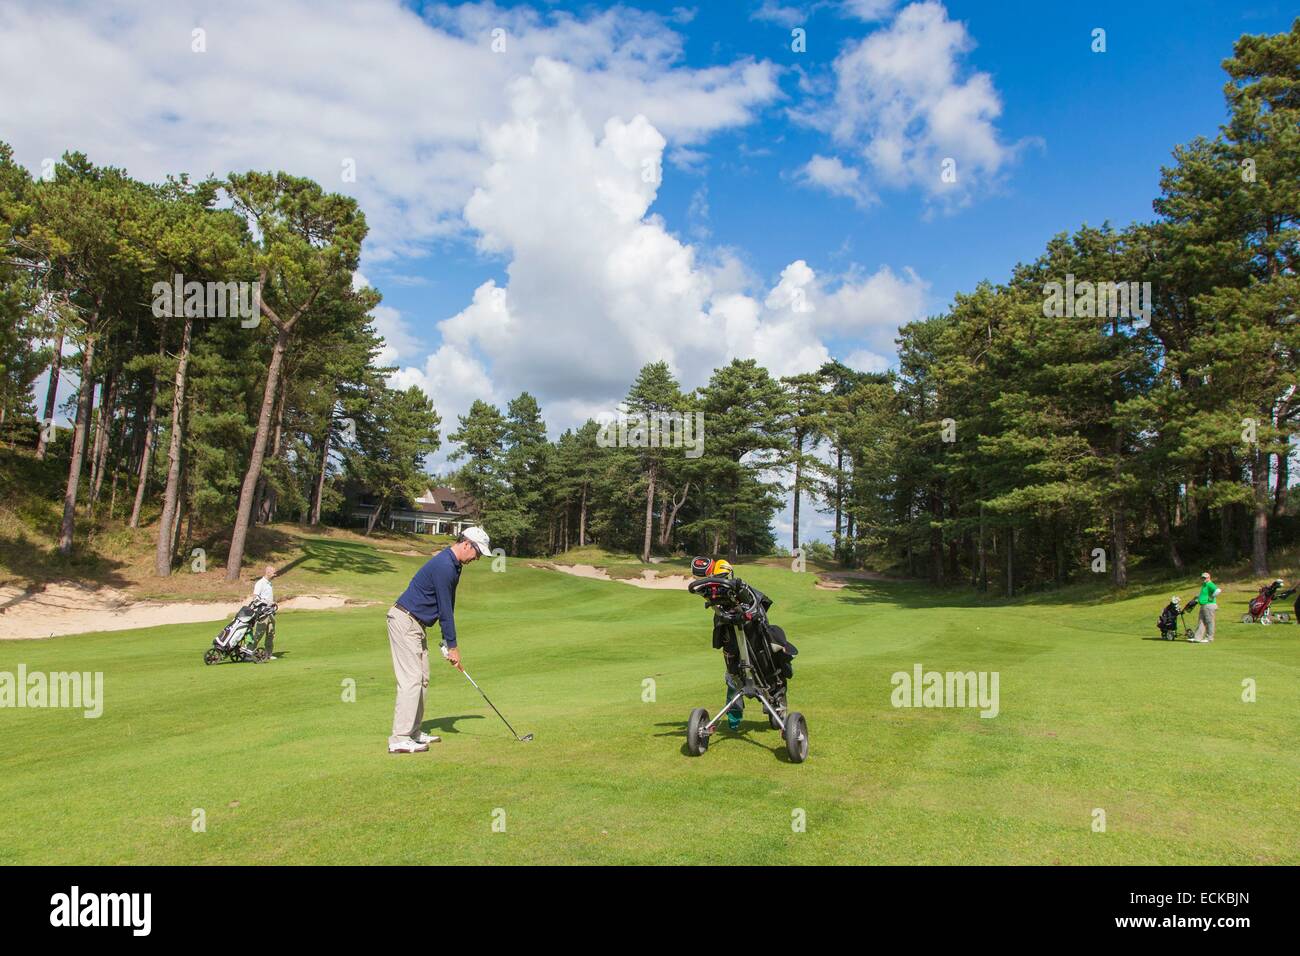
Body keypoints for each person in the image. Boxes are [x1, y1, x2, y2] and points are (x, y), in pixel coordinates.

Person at [386, 527, 491, 754]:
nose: (477, 558)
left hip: (417, 625)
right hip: (404, 621)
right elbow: (445, 611)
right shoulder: (445, 566)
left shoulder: (454, 565)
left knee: (422, 678)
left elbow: (447, 605)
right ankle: (399, 738)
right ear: (466, 544)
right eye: (478, 552)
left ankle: (413, 732)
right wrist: (453, 646)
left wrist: (446, 640)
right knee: (411, 679)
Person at [1187, 571, 1221, 643]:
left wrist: (1212, 597)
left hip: (1209, 605)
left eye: (1205, 577)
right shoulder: (1204, 585)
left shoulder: (1210, 584)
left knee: (1209, 621)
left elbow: (1218, 590)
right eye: (1202, 578)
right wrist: (1197, 598)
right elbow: (1204, 595)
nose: (1203, 579)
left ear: (1209, 577)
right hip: (1203, 605)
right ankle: (1197, 638)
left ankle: (1209, 638)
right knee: (1201, 621)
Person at [252, 565, 278, 659]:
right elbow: (255, 597)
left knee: (271, 633)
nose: (275, 574)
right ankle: (249, 652)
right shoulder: (260, 583)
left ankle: (268, 654)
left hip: (270, 612)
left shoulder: (269, 583)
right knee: (259, 633)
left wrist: (272, 603)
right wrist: (266, 603)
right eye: (274, 572)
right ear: (268, 572)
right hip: (263, 612)